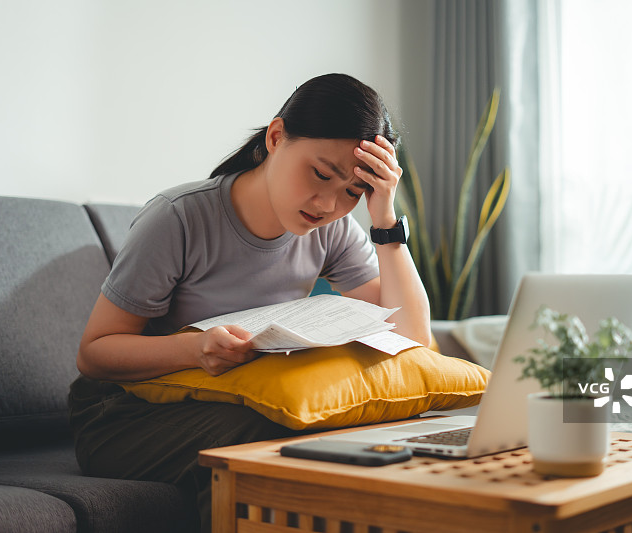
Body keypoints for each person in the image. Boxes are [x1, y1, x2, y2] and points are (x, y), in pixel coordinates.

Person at [69, 73, 431, 532]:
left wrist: (383, 218)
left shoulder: (333, 228)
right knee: (276, 442)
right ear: (276, 137)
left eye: (352, 192)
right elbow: (94, 353)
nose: (327, 203)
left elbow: (414, 337)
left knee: (370, 436)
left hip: (238, 402)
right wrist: (194, 350)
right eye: (320, 174)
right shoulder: (179, 217)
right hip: (122, 415)